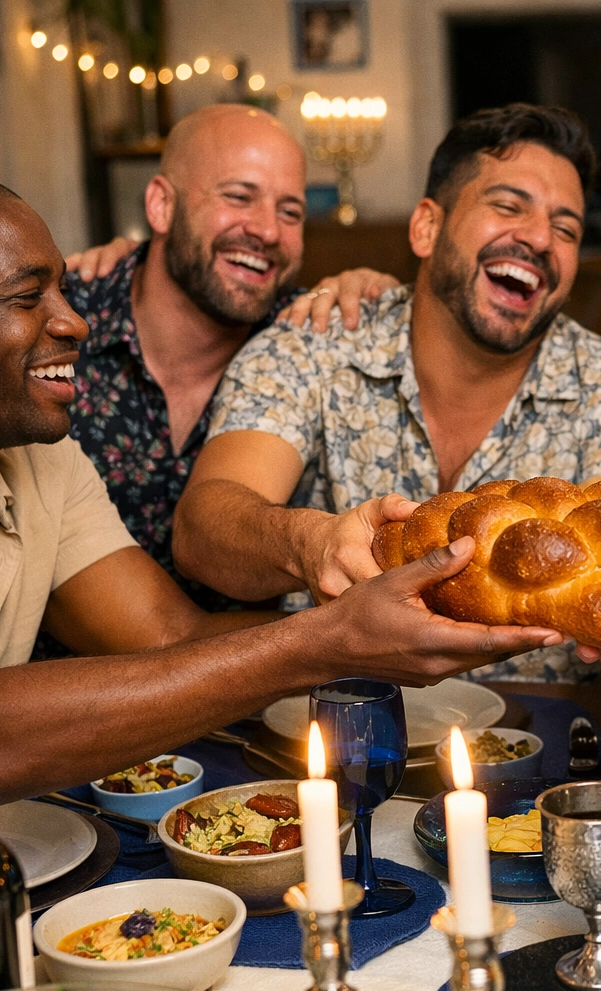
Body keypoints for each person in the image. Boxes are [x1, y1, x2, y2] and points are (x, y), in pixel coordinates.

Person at [0, 167, 561, 879]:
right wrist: (325, 642)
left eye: (63, 288)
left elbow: (168, 637)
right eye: (29, 298)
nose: (75, 322)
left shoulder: (34, 457)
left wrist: (414, 612)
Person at [170, 104, 601, 682]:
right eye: (508, 206)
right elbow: (204, 527)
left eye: (566, 228)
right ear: (426, 227)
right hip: (331, 734)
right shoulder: (311, 347)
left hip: (550, 748)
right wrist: (310, 543)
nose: (540, 238)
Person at [55, 105, 396, 615]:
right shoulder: (60, 323)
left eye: (290, 212)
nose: (267, 231)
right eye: (239, 197)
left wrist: (379, 292)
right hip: (58, 683)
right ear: (161, 206)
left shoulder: (308, 336)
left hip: (252, 683)